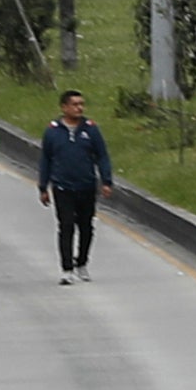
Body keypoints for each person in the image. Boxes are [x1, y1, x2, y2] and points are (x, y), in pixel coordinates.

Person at [38, 89, 112, 281]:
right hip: (63, 187)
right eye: (75, 104)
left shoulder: (90, 129)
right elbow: (46, 159)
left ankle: (82, 263)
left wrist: (106, 181)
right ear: (64, 107)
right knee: (66, 226)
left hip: (86, 186)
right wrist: (43, 186)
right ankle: (67, 269)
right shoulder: (53, 131)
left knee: (86, 227)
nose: (79, 108)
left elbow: (102, 155)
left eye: (81, 104)